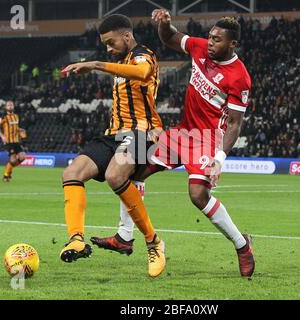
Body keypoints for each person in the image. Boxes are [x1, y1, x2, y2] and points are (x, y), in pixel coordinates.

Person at [92, 11, 255, 277]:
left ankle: (242, 245)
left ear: (232, 44)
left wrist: (220, 159)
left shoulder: (239, 77)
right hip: (181, 133)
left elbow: (235, 124)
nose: (211, 42)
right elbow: (169, 39)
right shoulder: (200, 47)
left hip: (207, 139)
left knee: (198, 195)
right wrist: (165, 24)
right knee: (133, 172)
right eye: (210, 36)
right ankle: (124, 236)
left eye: (217, 39)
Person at [59, 14, 166, 278]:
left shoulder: (144, 54)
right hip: (113, 134)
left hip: (142, 133)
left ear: (127, 36)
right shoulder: (120, 62)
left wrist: (96, 64)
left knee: (115, 175)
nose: (108, 48)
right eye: (105, 45)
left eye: (111, 42)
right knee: (71, 173)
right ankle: (76, 239)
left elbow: (142, 73)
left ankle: (154, 243)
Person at [0, 100, 25, 182]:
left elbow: (15, 127)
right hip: (8, 141)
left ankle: (9, 168)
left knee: (22, 158)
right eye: (8, 105)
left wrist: (20, 130)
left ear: (13, 106)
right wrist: (2, 136)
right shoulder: (3, 117)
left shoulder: (16, 116)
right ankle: (6, 175)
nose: (10, 106)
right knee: (13, 160)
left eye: (11, 105)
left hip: (16, 141)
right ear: (6, 107)